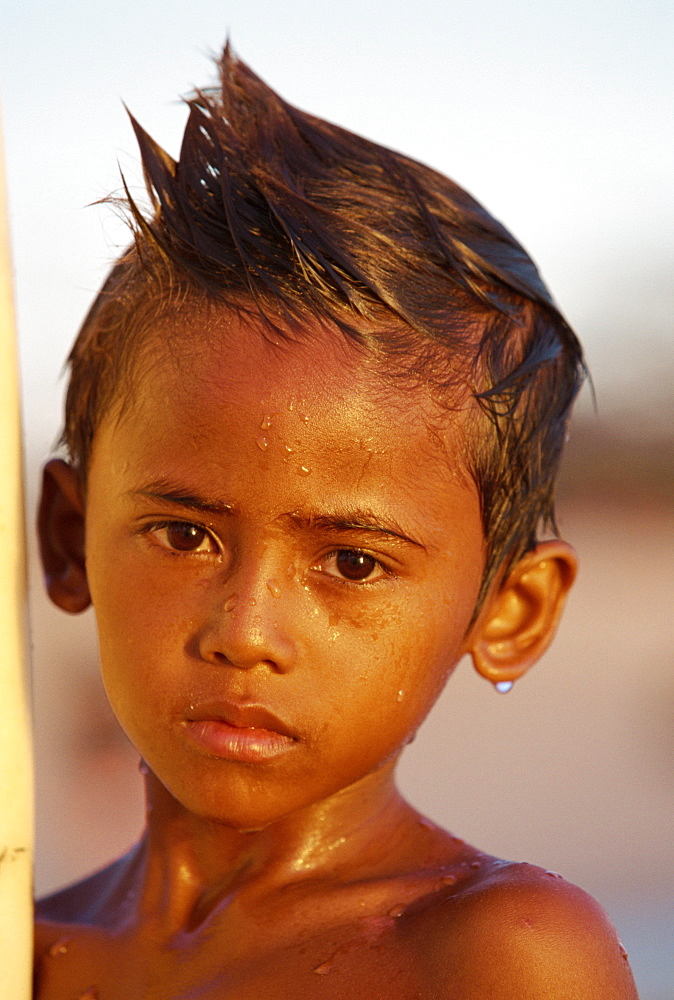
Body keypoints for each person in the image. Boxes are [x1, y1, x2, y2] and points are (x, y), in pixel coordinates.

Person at [33, 44, 639, 999]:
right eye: (186, 535)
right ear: (69, 540)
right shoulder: (27, 953)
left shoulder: (496, 955)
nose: (245, 632)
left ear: (510, 611)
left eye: (352, 563)